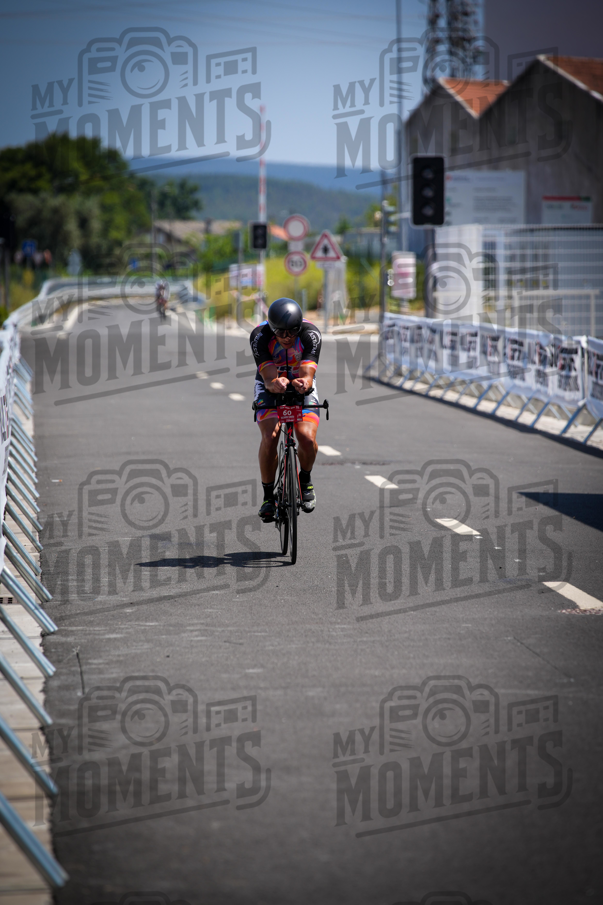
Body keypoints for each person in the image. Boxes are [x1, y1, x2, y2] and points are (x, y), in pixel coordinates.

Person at [250, 298, 322, 522]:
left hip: (300, 383)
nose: (287, 337)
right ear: (272, 329)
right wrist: (274, 383)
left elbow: (307, 373)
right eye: (281, 333)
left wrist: (305, 384)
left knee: (306, 437)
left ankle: (305, 479)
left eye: (292, 332)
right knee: (270, 437)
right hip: (269, 384)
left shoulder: (311, 334)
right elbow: (269, 376)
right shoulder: (259, 336)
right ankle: (268, 496)